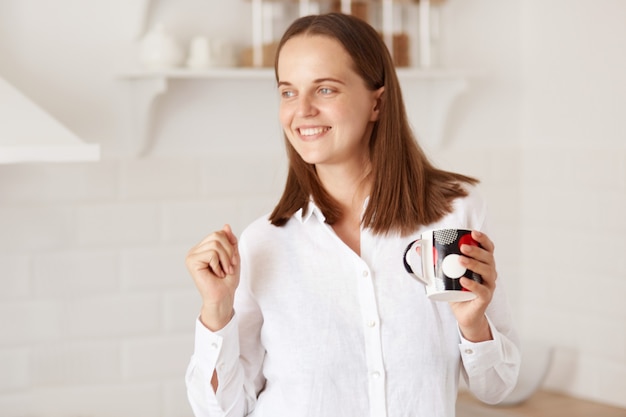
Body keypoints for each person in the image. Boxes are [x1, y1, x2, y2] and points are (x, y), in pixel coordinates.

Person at [185, 12, 520, 417]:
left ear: (376, 102)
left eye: (325, 90)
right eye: (288, 92)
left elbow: (497, 387)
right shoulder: (264, 243)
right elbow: (221, 410)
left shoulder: (451, 218)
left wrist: (473, 325)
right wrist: (216, 310)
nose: (302, 110)